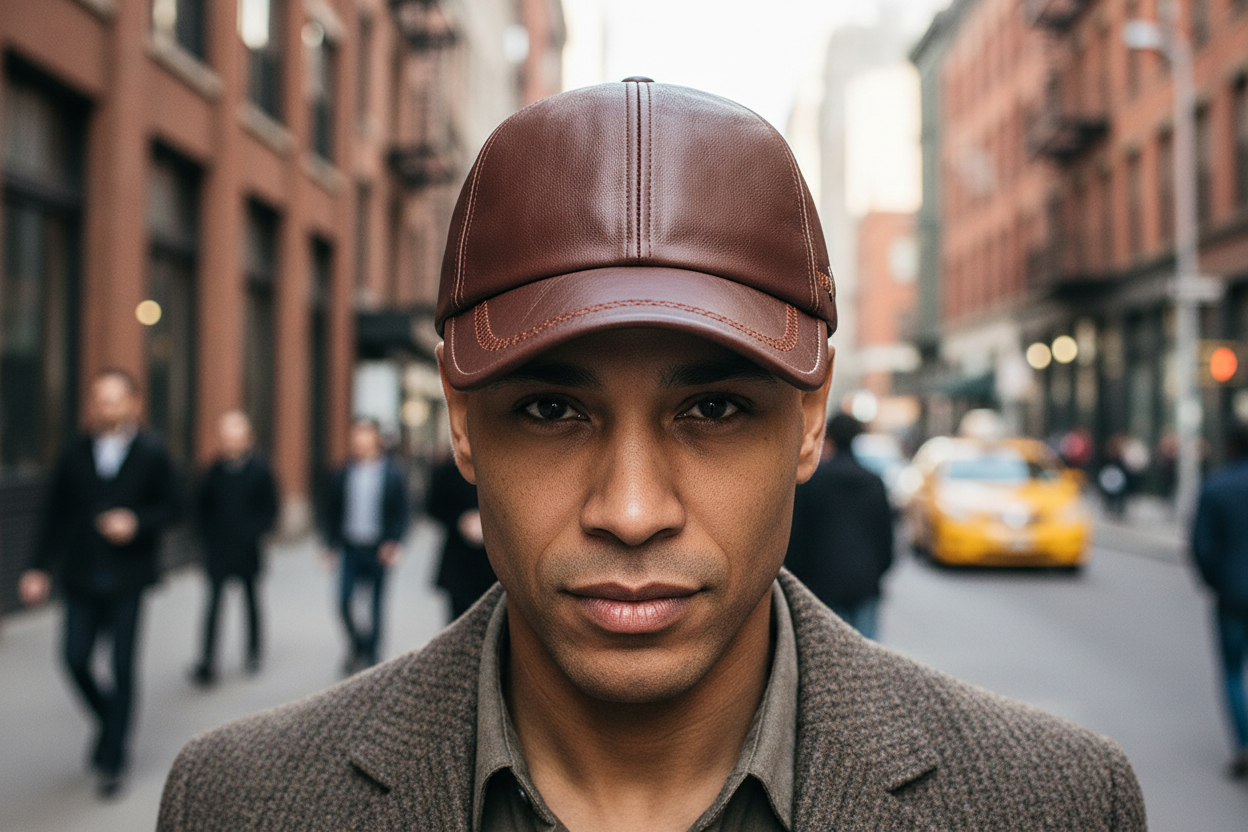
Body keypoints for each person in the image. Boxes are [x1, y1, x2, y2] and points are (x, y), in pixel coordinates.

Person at [159, 80, 1146, 830]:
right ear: (463, 420)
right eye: (551, 406)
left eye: (714, 405)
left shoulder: (1056, 803)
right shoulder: (235, 804)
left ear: (811, 420)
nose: (631, 511)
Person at [19, 368, 177, 799]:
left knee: (123, 668)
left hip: (128, 578)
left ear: (133, 403)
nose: (104, 406)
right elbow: (53, 514)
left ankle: (113, 759)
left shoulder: (152, 452)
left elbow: (173, 508)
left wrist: (136, 522)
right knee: (74, 659)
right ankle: (111, 721)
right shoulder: (74, 452)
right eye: (98, 399)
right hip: (80, 576)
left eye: (113, 398)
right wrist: (36, 569)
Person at [189, 410, 279, 686]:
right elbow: (200, 510)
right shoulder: (212, 472)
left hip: (248, 549)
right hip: (218, 550)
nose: (231, 443)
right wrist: (204, 541)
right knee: (213, 605)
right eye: (226, 438)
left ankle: (253, 652)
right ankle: (207, 660)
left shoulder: (260, 470)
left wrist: (255, 533)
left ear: (247, 439)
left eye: (236, 438)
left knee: (251, 601)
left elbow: (270, 509)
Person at [785, 412, 893, 640]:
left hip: (823, 585)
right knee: (868, 660)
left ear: (829, 437)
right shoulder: (874, 482)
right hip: (865, 583)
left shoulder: (813, 481)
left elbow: (797, 538)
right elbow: (886, 539)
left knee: (831, 661)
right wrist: (875, 573)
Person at [318, 417, 408, 674]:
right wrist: (328, 546)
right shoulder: (343, 472)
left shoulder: (392, 473)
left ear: (376, 439)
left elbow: (402, 511)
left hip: (379, 549)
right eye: (356, 436)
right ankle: (358, 644)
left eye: (365, 435)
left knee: (377, 606)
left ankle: (373, 658)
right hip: (350, 548)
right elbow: (331, 512)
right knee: (343, 602)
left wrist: (395, 543)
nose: (359, 441)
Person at [1191, 422, 1248, 778]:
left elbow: (1201, 547)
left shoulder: (1216, 487)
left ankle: (1244, 744)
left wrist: (1218, 582)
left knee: (1231, 672)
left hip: (1231, 596)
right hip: (1230, 592)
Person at [427, 452, 496, 621]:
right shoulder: (450, 470)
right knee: (457, 618)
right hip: (458, 558)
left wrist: (490, 523)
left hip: (493, 561)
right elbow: (432, 506)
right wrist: (459, 520)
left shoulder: (505, 467)